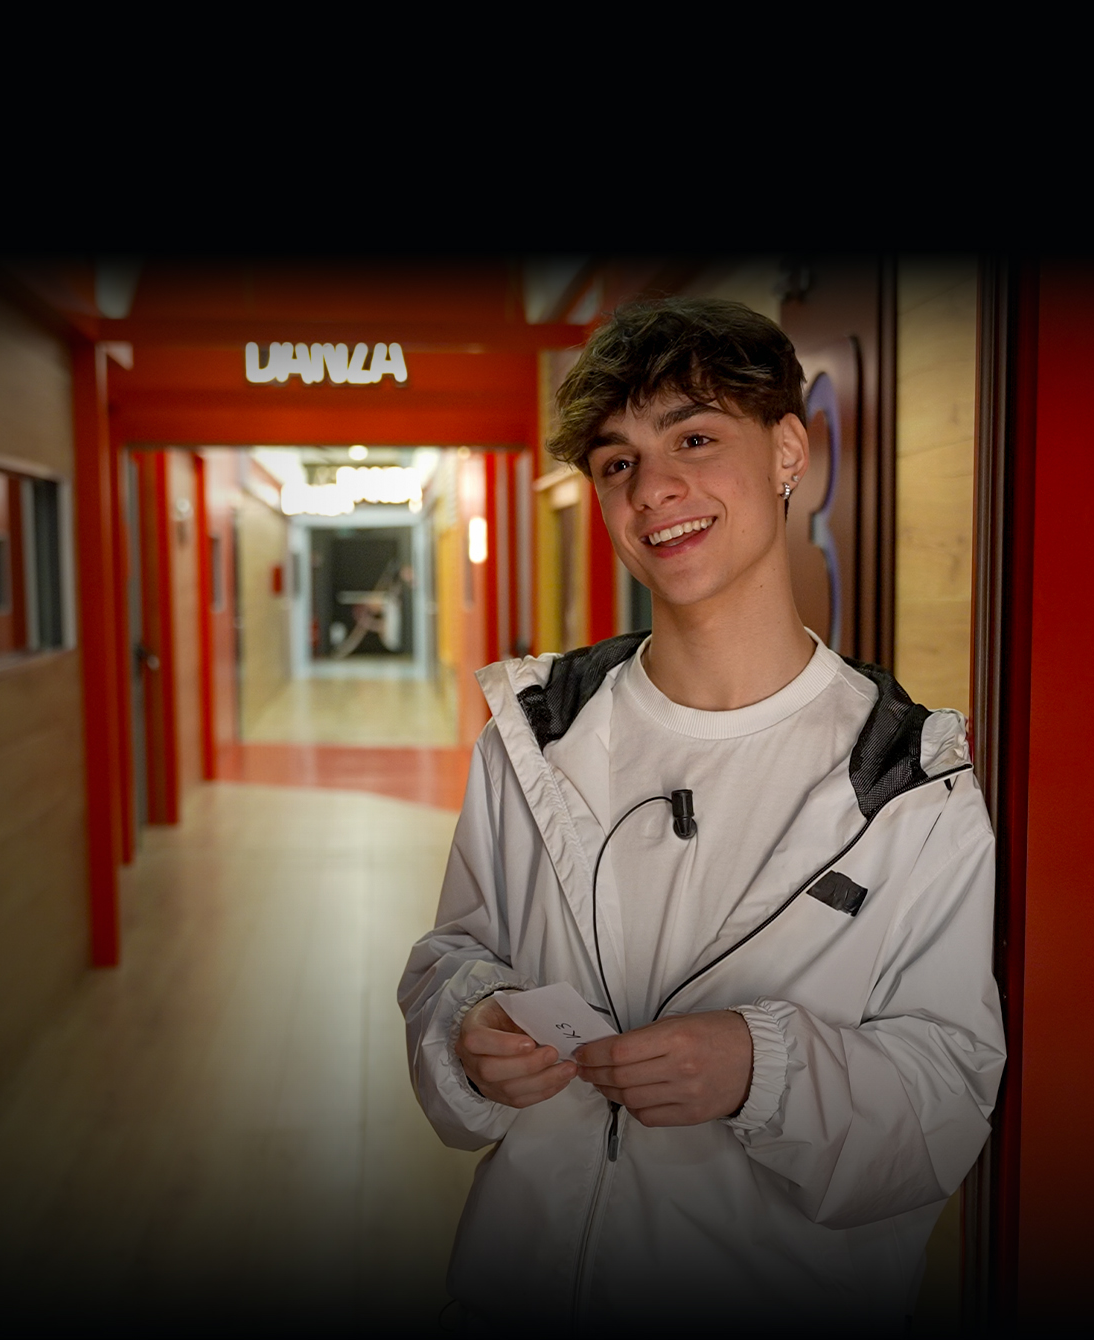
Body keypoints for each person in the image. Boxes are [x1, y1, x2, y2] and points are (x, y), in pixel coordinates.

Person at [398, 297, 1003, 1327]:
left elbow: (943, 1103)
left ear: (787, 451)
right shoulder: (535, 734)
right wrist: (470, 1025)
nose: (654, 489)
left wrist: (762, 1070)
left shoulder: (911, 784)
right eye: (617, 462)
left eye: (694, 438)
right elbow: (452, 954)